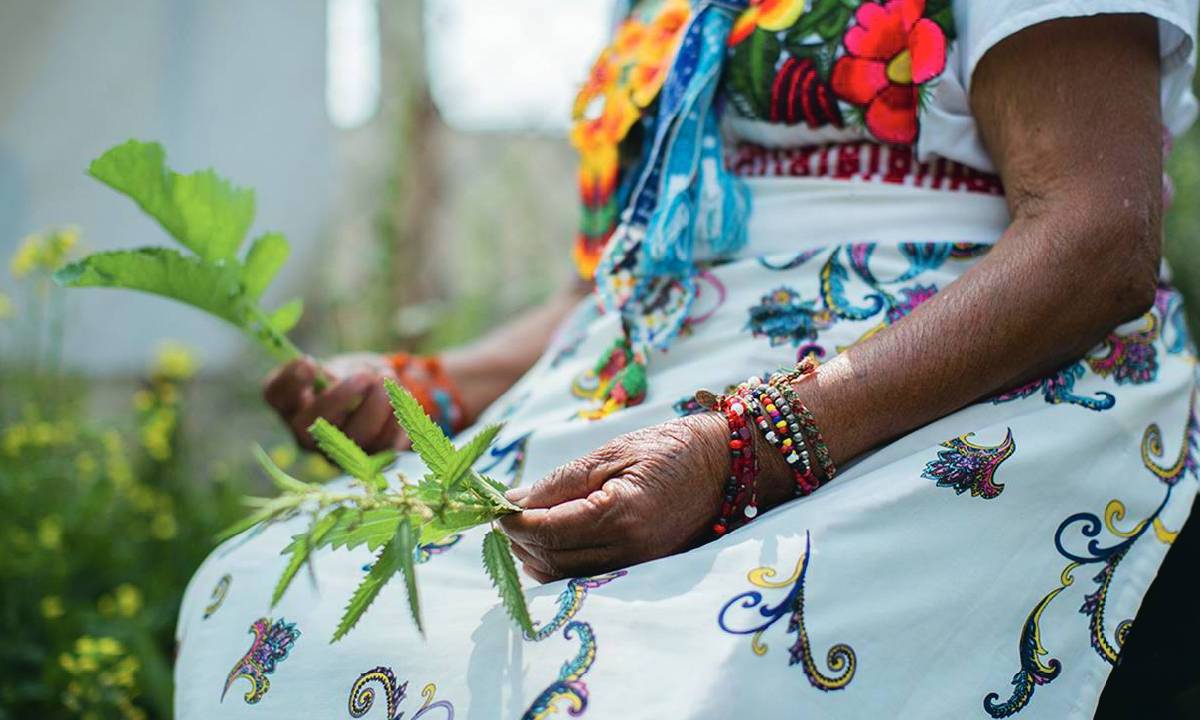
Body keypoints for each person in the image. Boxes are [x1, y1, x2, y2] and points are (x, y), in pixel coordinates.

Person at [175, 1, 1200, 717]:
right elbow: (617, 286)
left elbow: (1094, 235)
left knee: (675, 664)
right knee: (262, 584)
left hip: (929, 375)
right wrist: (427, 390)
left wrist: (750, 448)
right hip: (658, 386)